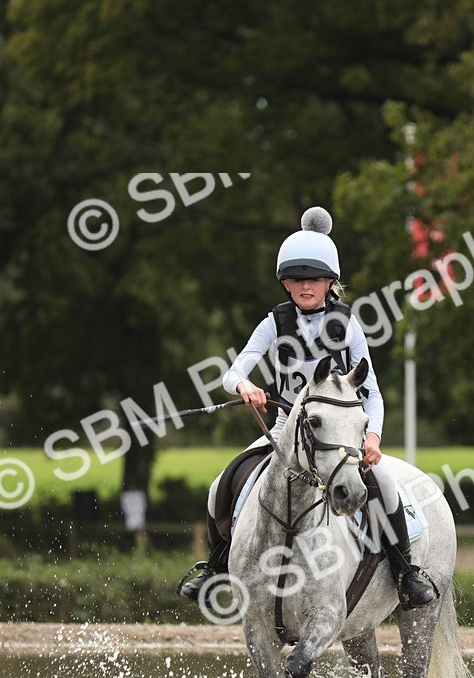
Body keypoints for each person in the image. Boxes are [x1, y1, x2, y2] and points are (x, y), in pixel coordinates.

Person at [178, 206, 436, 610]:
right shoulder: (274, 323)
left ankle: (407, 572)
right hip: (285, 428)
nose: (305, 286)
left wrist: (372, 436)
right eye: (296, 280)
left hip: (337, 434)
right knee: (222, 484)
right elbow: (233, 372)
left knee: (383, 483)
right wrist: (247, 386)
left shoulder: (347, 326)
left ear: (330, 282)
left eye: (313, 279)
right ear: (285, 283)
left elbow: (372, 393)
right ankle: (216, 566)